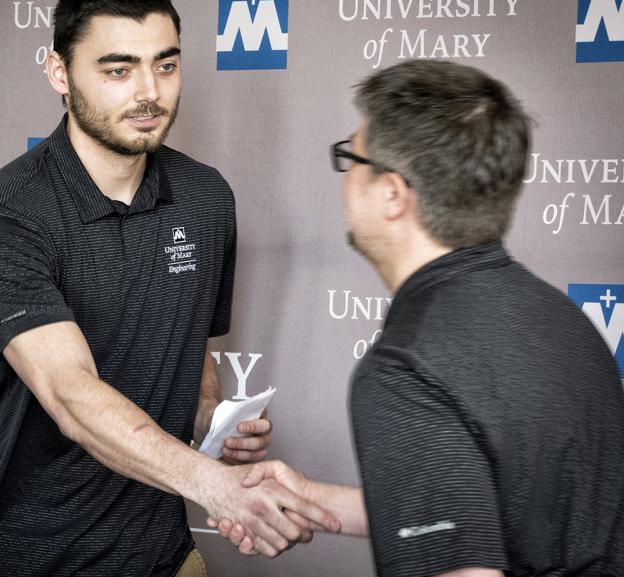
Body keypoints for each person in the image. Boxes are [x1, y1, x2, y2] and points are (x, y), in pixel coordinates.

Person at [0, 0, 339, 577]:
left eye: (166, 65)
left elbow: (188, 342)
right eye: (118, 70)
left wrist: (210, 420)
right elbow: (71, 394)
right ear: (59, 73)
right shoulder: (5, 218)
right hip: (9, 558)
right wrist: (216, 486)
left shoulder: (205, 197)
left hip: (159, 556)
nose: (149, 91)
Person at [213, 60, 624, 577]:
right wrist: (313, 499)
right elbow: (498, 515)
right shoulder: (564, 321)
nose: (344, 183)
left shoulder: (406, 371)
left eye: (352, 159)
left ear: (391, 194)